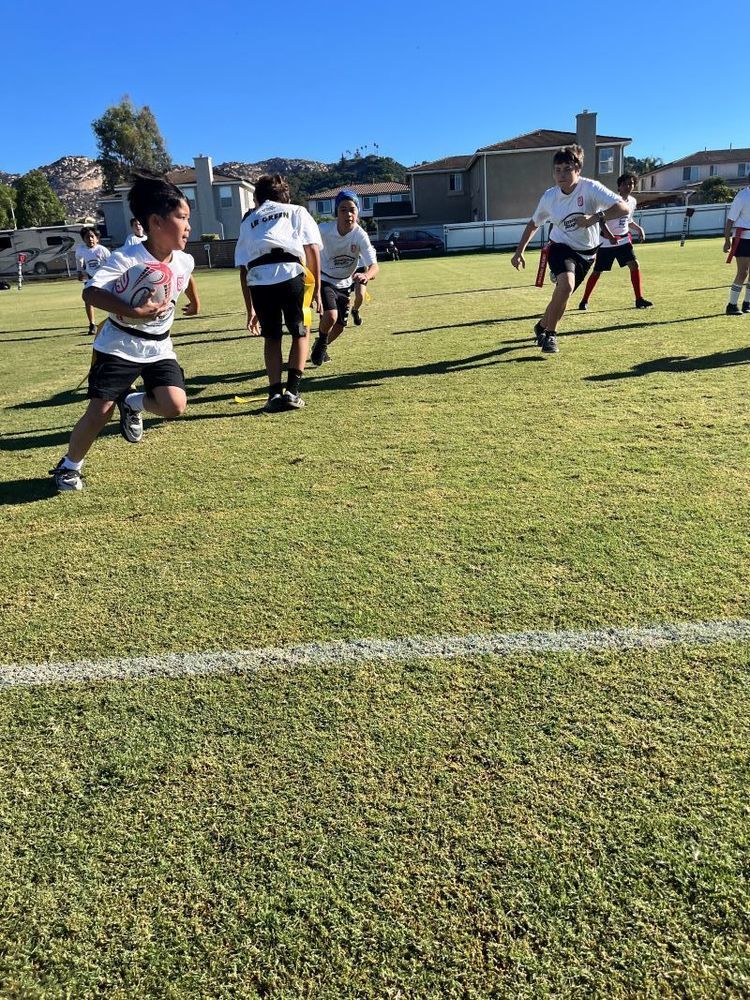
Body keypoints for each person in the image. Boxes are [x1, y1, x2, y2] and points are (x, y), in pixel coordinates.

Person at [49, 174, 200, 493]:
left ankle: (132, 402)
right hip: (118, 344)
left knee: (174, 405)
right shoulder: (127, 258)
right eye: (182, 218)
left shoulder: (185, 260)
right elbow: (91, 292)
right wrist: (133, 311)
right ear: (156, 222)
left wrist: (195, 301)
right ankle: (69, 466)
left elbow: (184, 276)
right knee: (99, 410)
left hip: (159, 347)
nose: (188, 225)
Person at [511, 145, 630, 354]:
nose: (561, 175)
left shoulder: (591, 188)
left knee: (562, 294)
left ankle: (541, 326)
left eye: (567, 169)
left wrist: (594, 218)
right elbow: (533, 224)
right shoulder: (549, 197)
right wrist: (519, 251)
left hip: (587, 254)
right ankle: (550, 336)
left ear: (578, 169)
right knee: (566, 285)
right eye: (557, 170)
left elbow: (623, 208)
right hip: (559, 246)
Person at [235, 173, 322, 411]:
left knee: (271, 337)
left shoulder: (249, 220)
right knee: (300, 332)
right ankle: (292, 392)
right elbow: (312, 250)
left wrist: (249, 308)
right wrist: (317, 291)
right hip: (290, 272)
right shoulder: (296, 211)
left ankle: (274, 394)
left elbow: (243, 268)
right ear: (285, 195)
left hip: (258, 279)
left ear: (257, 198)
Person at [310, 190, 378, 366]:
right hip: (324, 278)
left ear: (358, 212)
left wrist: (366, 275)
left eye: (352, 210)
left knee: (339, 327)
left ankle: (320, 345)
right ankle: (321, 344)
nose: (348, 214)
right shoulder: (323, 230)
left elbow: (374, 266)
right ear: (336, 213)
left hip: (345, 282)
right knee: (331, 316)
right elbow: (307, 248)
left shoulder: (360, 234)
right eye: (343, 210)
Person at [578, 172, 652, 310]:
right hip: (606, 243)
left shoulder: (632, 202)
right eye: (624, 184)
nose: (628, 186)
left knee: (634, 265)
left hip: (623, 241)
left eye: (631, 184)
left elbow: (628, 221)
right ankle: (584, 300)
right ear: (619, 186)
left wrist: (638, 228)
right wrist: (610, 236)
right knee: (597, 271)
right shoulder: (610, 201)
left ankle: (639, 299)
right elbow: (601, 220)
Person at [76, 227, 111, 334]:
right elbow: (79, 260)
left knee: (110, 301)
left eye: (92, 236)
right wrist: (79, 271)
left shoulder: (102, 250)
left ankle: (114, 321)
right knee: (88, 300)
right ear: (83, 239)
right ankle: (92, 324)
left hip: (105, 280)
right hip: (90, 279)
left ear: (97, 238)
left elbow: (111, 263)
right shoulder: (81, 249)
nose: (90, 239)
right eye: (87, 237)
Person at [722, 184, 750, 314]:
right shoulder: (742, 196)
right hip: (743, 238)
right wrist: (727, 240)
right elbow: (730, 220)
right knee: (742, 272)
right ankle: (732, 305)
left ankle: (747, 303)